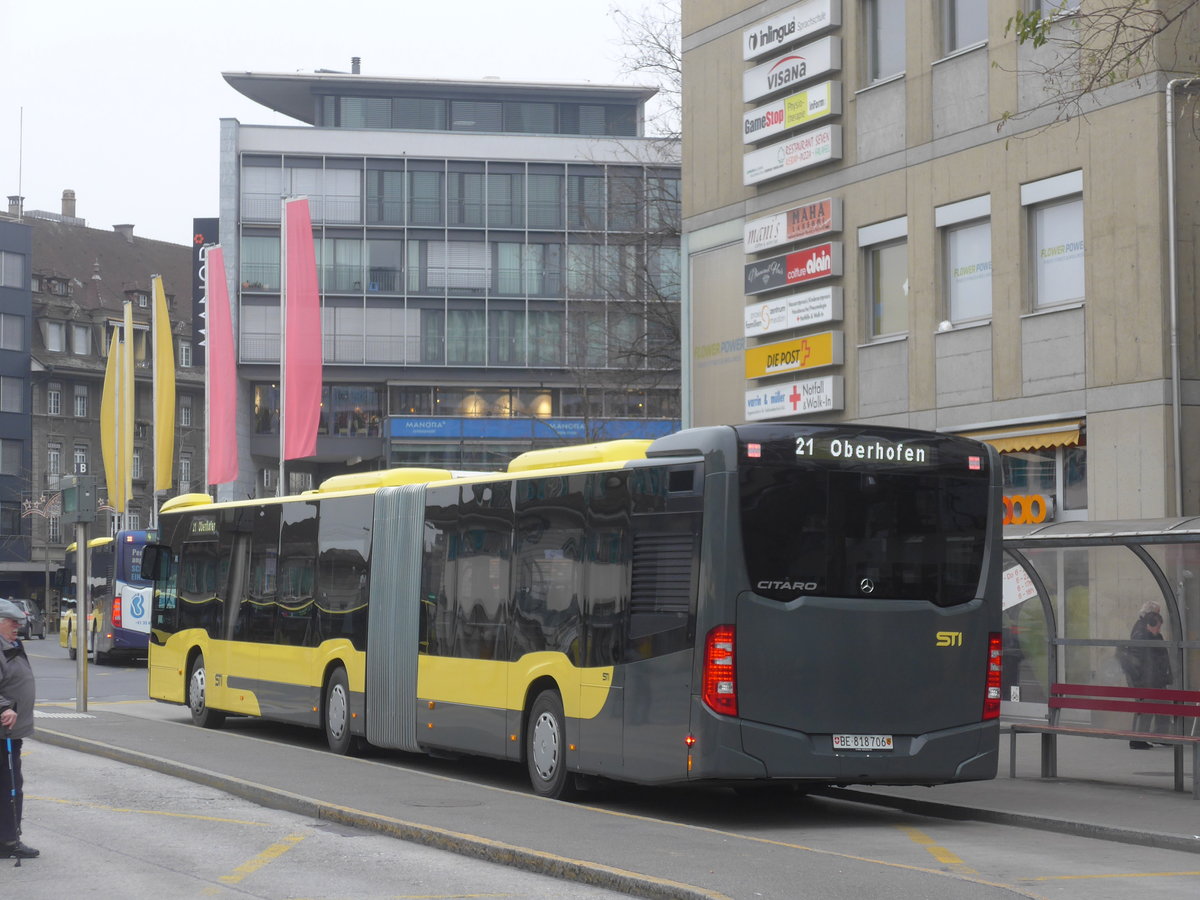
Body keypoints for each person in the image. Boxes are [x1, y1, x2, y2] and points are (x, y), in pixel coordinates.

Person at [0, 598, 38, 859]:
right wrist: (4, 708)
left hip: (14, 731)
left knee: (10, 785)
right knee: (10, 787)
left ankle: (7, 838)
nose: (18, 625)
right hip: (5, 732)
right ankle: (9, 841)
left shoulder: (13, 645)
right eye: (12, 621)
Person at [1117, 601, 1173, 749]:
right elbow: (1139, 661)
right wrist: (1140, 683)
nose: (1158, 616)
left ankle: (1159, 735)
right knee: (1146, 708)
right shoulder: (1141, 633)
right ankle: (1138, 739)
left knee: (1163, 706)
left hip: (1155, 678)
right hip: (1147, 680)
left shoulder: (1149, 632)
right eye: (1156, 613)